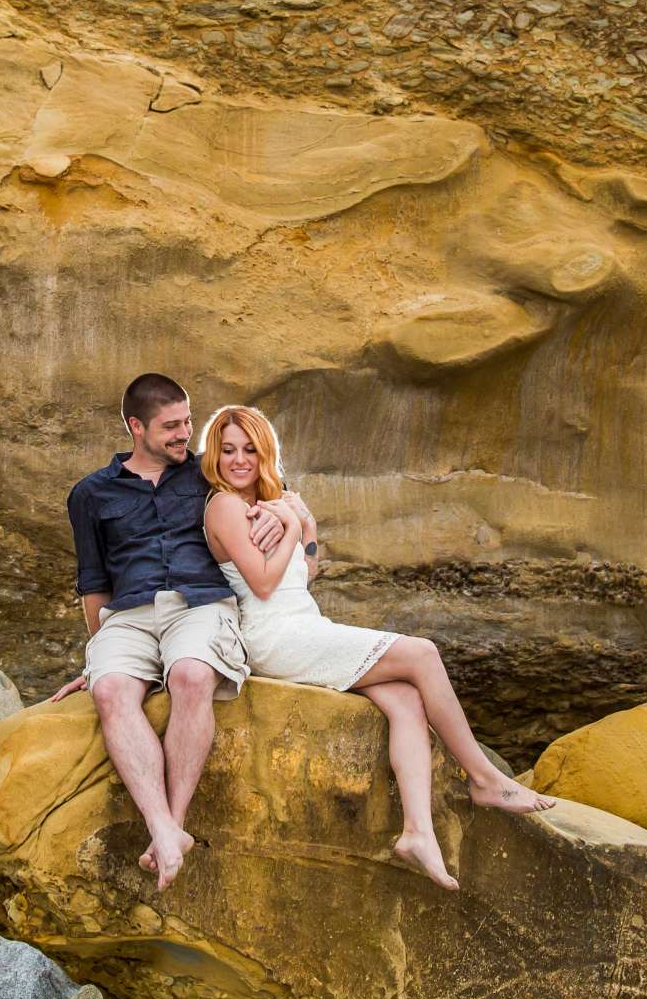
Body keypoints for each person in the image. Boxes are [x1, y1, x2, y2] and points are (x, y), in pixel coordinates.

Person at [198, 403, 553, 889]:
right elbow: (261, 583)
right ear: (215, 457)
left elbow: (307, 572)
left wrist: (306, 526)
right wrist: (293, 526)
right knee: (422, 653)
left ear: (266, 454)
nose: (238, 460)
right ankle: (486, 779)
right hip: (274, 636)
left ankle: (417, 834)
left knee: (407, 699)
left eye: (249, 449)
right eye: (228, 450)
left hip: (304, 624)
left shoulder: (270, 503)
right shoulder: (223, 505)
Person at [46, 373, 280, 889]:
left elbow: (273, 487)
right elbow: (93, 582)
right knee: (110, 689)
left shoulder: (206, 475)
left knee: (192, 676)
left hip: (199, 603)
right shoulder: (90, 494)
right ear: (136, 426)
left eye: (188, 422)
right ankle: (164, 828)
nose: (185, 434)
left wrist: (289, 511)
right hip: (128, 614)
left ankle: (173, 823)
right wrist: (96, 658)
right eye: (171, 426)